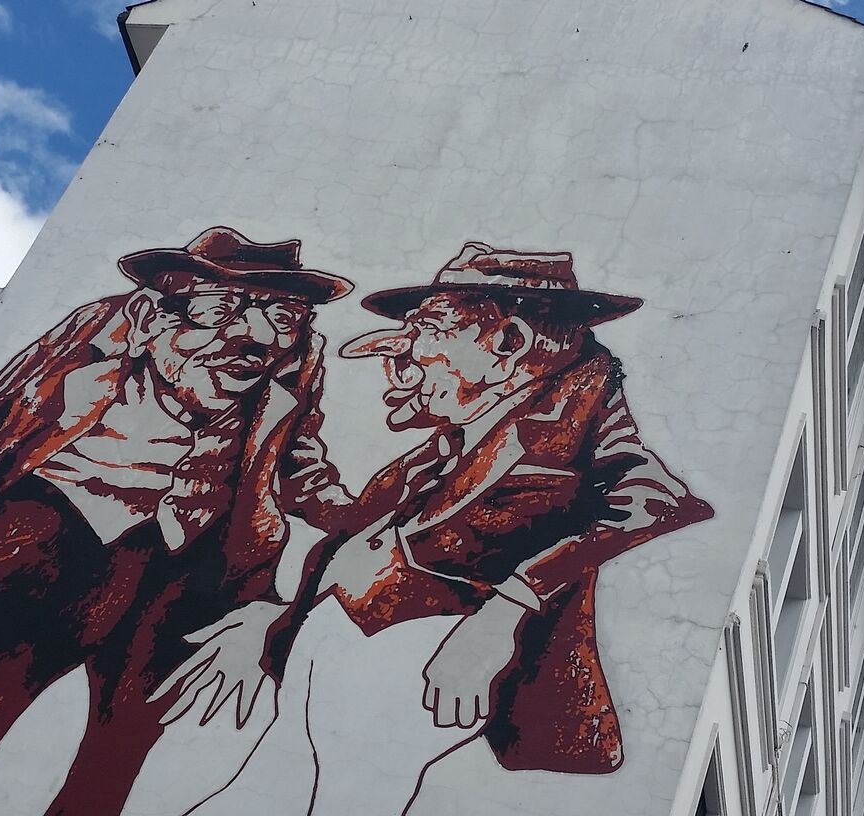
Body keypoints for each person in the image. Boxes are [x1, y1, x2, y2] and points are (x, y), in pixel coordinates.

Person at [0, 227, 360, 816]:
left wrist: (359, 520)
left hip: (177, 564)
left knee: (117, 752)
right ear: (149, 320)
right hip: (45, 534)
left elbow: (297, 460)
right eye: (221, 311)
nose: (256, 338)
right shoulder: (94, 336)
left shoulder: (292, 364)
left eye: (283, 318)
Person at [164, 241, 715, 816]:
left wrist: (504, 614)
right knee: (259, 791)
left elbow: (654, 499)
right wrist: (277, 613)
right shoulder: (441, 448)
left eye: (428, 329)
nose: (409, 350)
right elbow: (344, 521)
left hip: (423, 653)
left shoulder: (577, 428)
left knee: (350, 796)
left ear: (507, 344)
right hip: (336, 638)